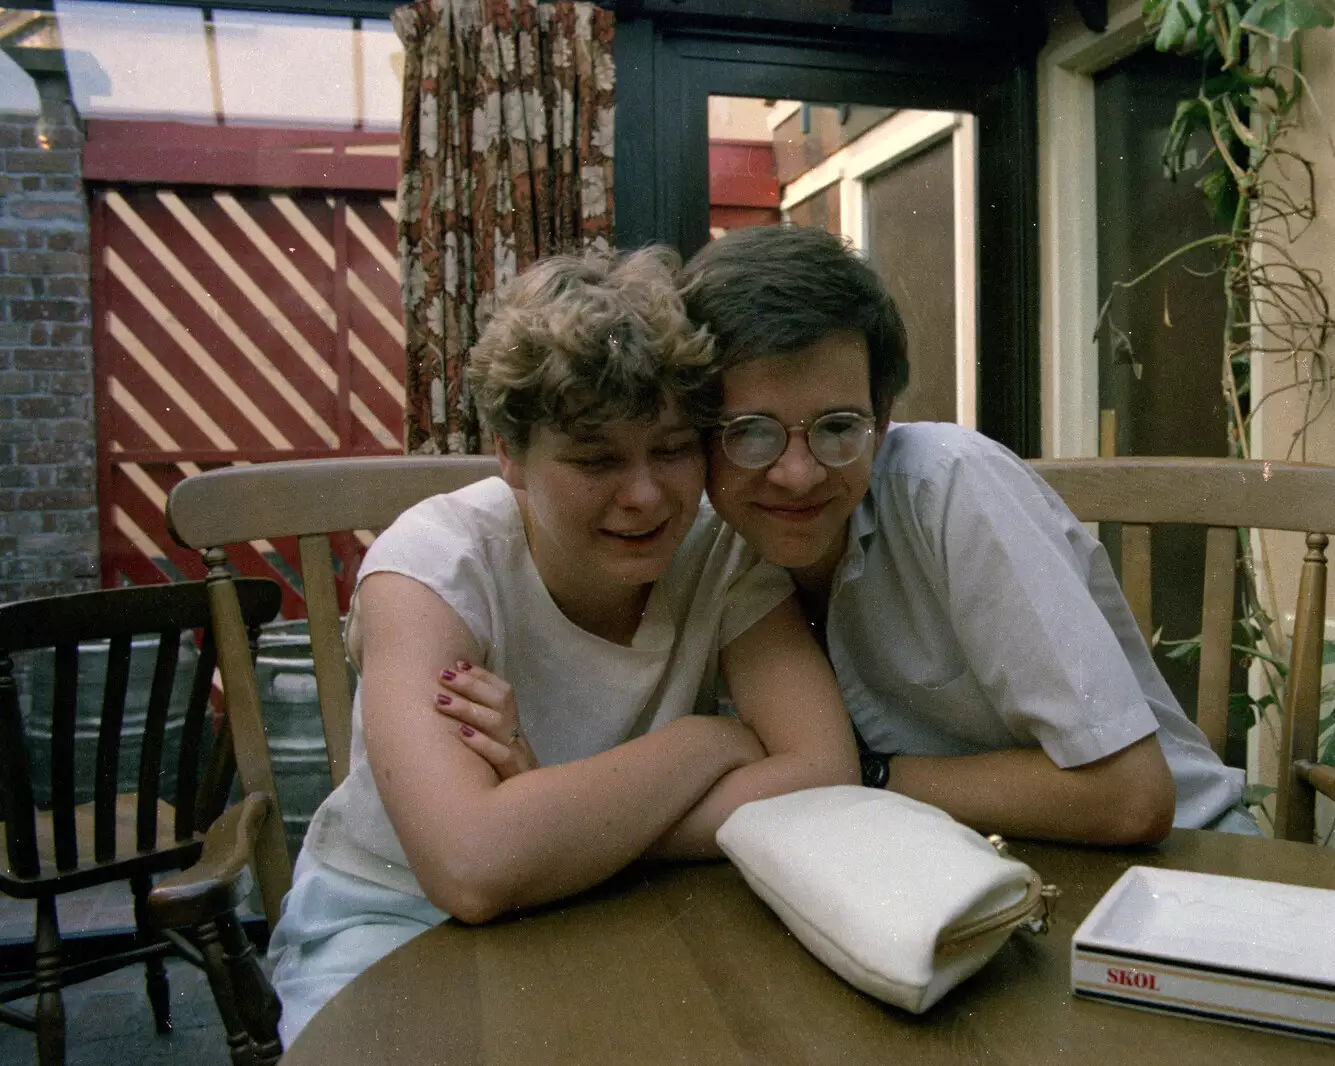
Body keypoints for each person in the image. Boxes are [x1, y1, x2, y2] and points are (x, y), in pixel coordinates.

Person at [266, 246, 857, 1047]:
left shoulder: (719, 551)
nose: (645, 494)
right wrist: (707, 741)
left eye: (674, 448)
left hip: (616, 899)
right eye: (594, 459)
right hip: (395, 924)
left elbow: (824, 773)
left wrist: (549, 819)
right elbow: (470, 868)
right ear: (510, 455)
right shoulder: (434, 565)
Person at [680, 224, 1253, 845]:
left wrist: (861, 776)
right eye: (751, 431)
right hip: (965, 864)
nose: (797, 474)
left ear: (884, 420)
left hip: (1189, 863)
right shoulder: (712, 544)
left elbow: (1132, 797)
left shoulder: (949, 486)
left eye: (838, 426)